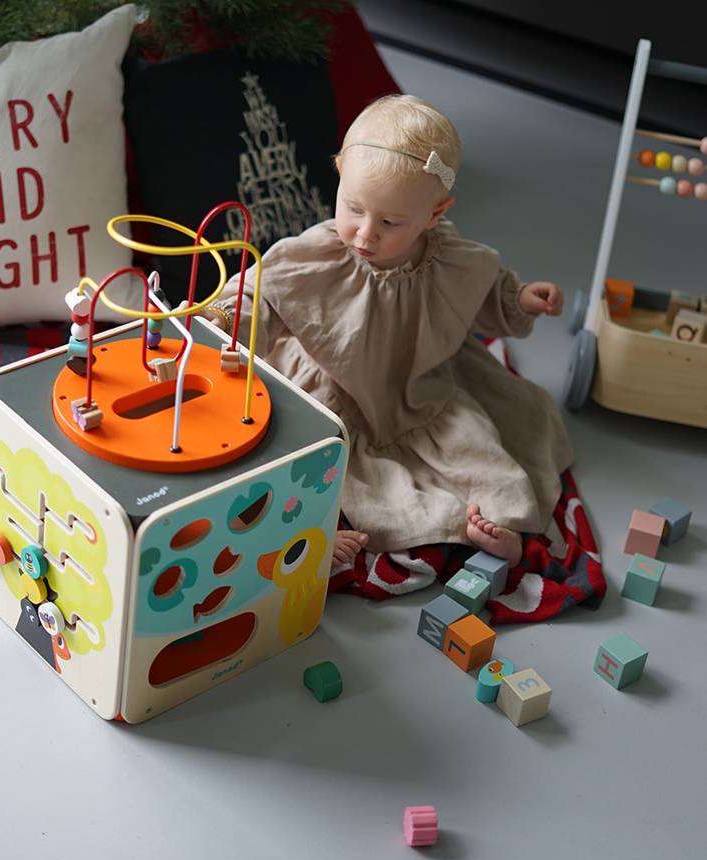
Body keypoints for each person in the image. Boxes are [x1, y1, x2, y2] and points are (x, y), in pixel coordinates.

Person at [207, 94, 573, 571]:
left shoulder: (446, 256)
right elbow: (265, 296)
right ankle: (420, 524)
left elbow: (480, 289)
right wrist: (224, 318)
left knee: (480, 450)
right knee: (324, 465)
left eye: (390, 222)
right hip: (332, 387)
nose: (365, 234)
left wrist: (519, 299)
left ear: (435, 214)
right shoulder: (318, 255)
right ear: (340, 173)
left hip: (420, 388)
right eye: (353, 209)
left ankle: (498, 523)